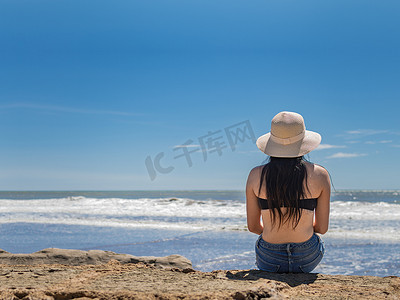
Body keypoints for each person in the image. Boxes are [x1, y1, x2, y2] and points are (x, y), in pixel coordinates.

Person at [246, 111, 330, 273]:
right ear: (304, 142)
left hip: (269, 257)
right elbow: (322, 228)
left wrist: (276, 231)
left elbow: (254, 227)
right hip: (307, 257)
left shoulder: (255, 175)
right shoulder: (320, 174)